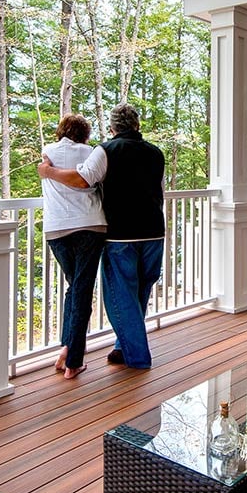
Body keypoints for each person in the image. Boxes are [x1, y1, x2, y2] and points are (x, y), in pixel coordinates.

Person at [38, 103, 165, 369]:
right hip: (154, 232)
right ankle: (122, 347)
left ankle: (138, 357)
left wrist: (49, 172)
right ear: (137, 125)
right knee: (140, 292)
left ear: (112, 127)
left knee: (120, 298)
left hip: (122, 235)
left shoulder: (106, 150)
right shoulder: (156, 153)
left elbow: (83, 180)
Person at [38, 114, 107, 379]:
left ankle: (67, 349)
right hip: (90, 226)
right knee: (81, 290)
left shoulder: (48, 152)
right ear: (85, 133)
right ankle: (73, 362)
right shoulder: (91, 153)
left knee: (74, 288)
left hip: (57, 229)